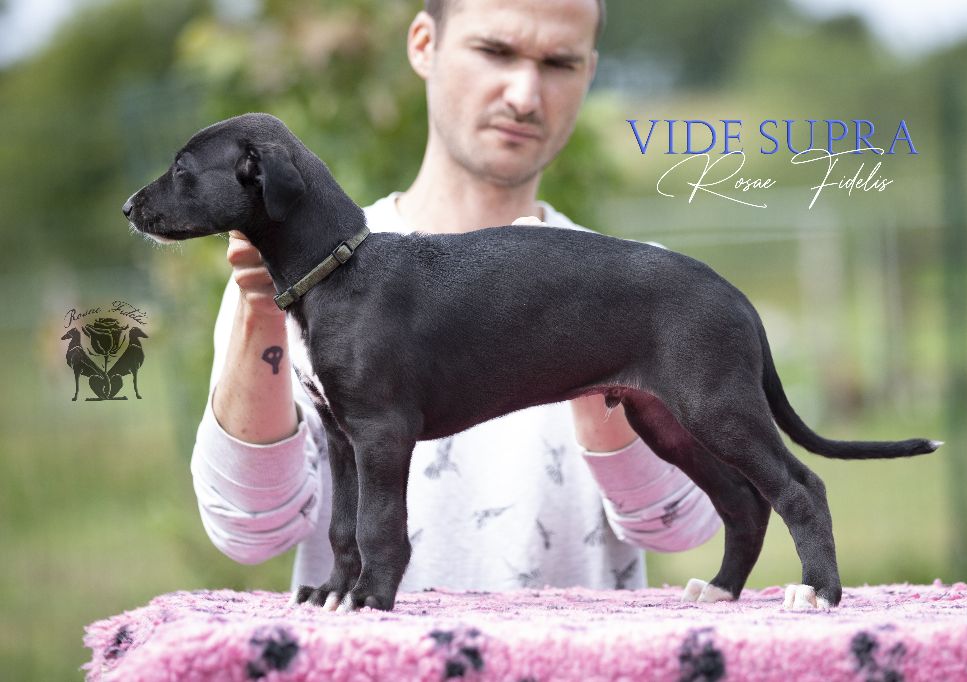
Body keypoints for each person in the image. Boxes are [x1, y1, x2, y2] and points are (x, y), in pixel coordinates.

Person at [190, 0, 721, 602]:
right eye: (495, 50)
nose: (524, 95)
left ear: (590, 72)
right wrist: (264, 309)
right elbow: (248, 531)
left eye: (559, 63)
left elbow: (679, 528)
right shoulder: (290, 279)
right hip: (366, 648)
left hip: (573, 647)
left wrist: (597, 347)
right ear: (424, 44)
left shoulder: (636, 283)